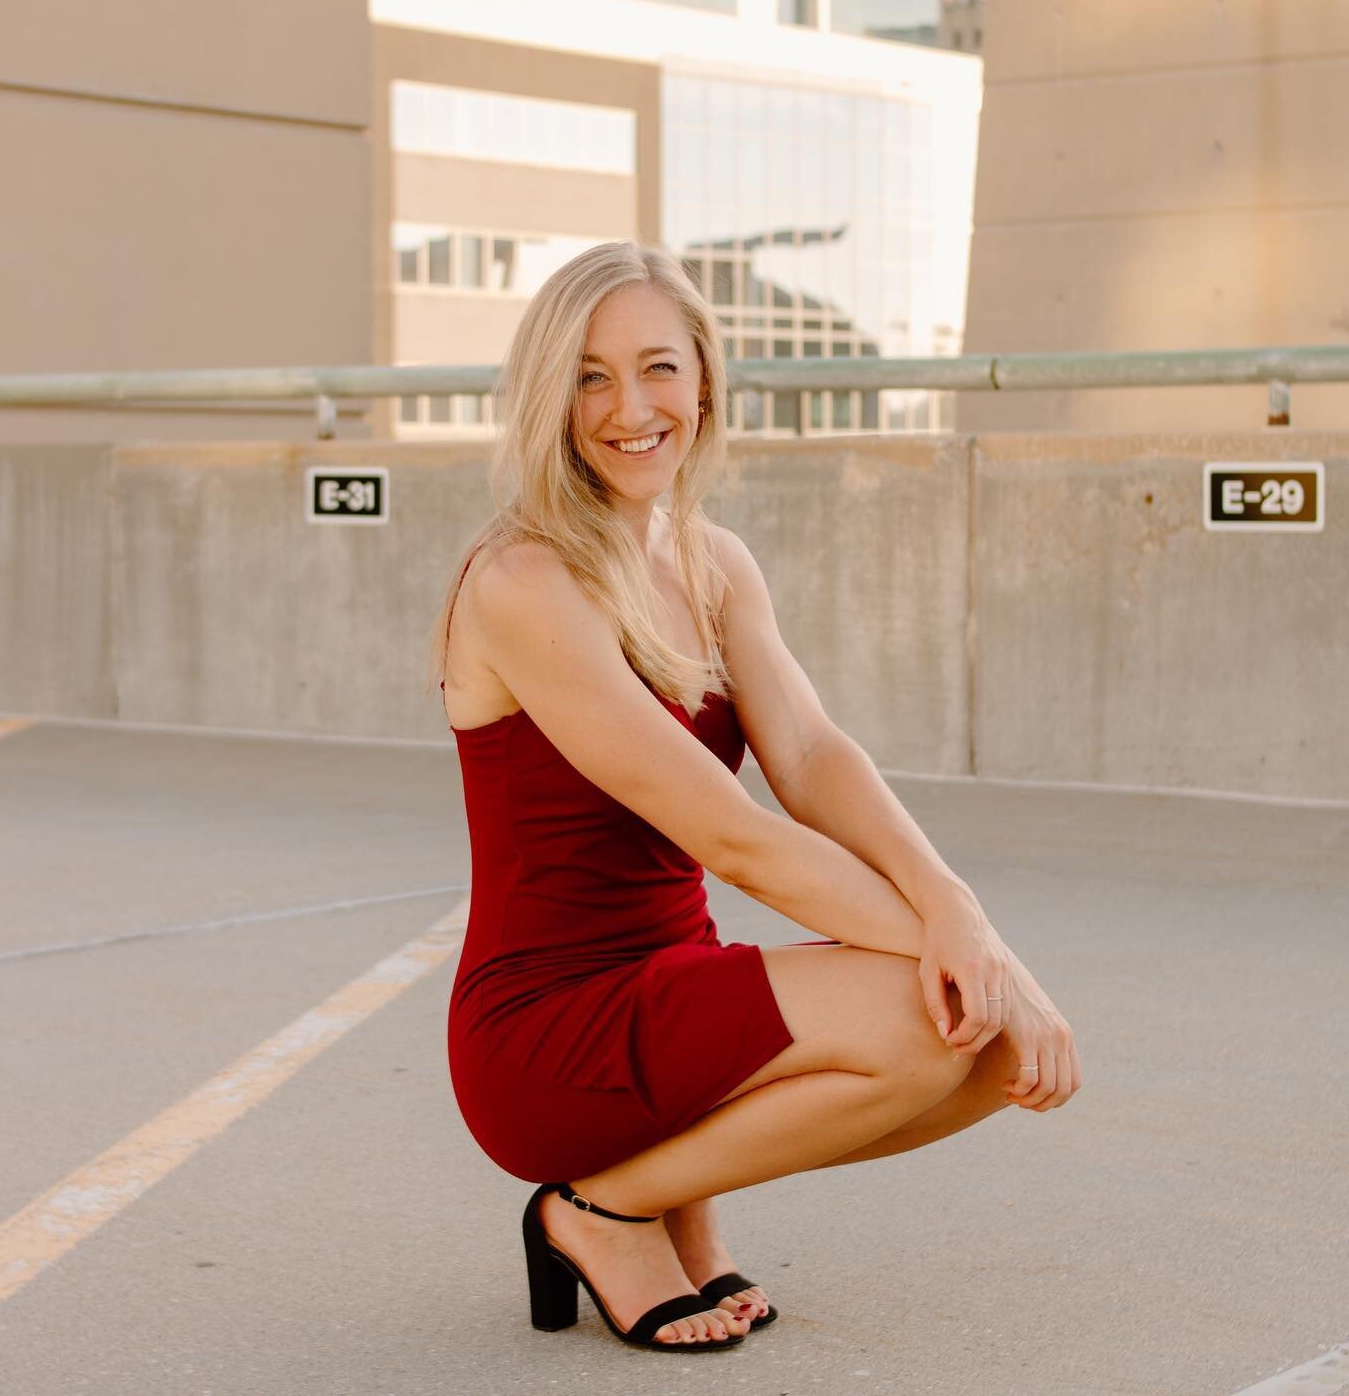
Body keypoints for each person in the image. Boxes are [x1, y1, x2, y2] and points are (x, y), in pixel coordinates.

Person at [427, 240, 1082, 1355]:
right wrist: (990, 971)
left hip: (675, 982)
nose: (629, 407)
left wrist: (959, 913)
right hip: (547, 1028)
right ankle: (597, 1211)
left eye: (657, 368)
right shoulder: (523, 580)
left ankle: (660, 1190)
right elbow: (737, 837)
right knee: (944, 1025)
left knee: (987, 1054)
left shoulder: (710, 558)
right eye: (589, 376)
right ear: (549, 398)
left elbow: (815, 756)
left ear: (707, 379)